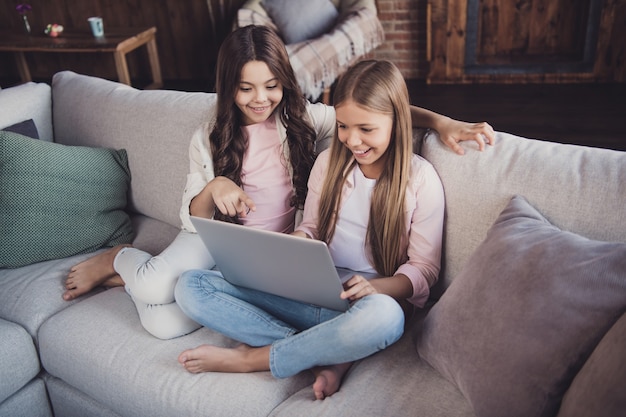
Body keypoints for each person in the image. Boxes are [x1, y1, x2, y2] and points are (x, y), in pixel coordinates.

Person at [63, 25, 494, 341]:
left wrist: (441, 121)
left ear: (284, 83)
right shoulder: (209, 135)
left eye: (270, 86)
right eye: (245, 88)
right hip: (214, 241)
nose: (259, 99)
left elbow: (375, 109)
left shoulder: (301, 119)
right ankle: (124, 259)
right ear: (227, 87)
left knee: (165, 323)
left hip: (270, 250)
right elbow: (193, 219)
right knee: (160, 285)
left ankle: (133, 282)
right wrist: (214, 189)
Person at [174, 59, 445, 401]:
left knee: (387, 318)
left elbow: (424, 270)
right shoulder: (329, 163)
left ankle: (254, 358)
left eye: (366, 129)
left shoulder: (420, 179)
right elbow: (313, 227)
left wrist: (376, 287)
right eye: (344, 126)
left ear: (397, 121)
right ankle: (327, 352)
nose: (352, 140)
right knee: (191, 286)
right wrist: (293, 246)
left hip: (365, 303)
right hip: (311, 292)